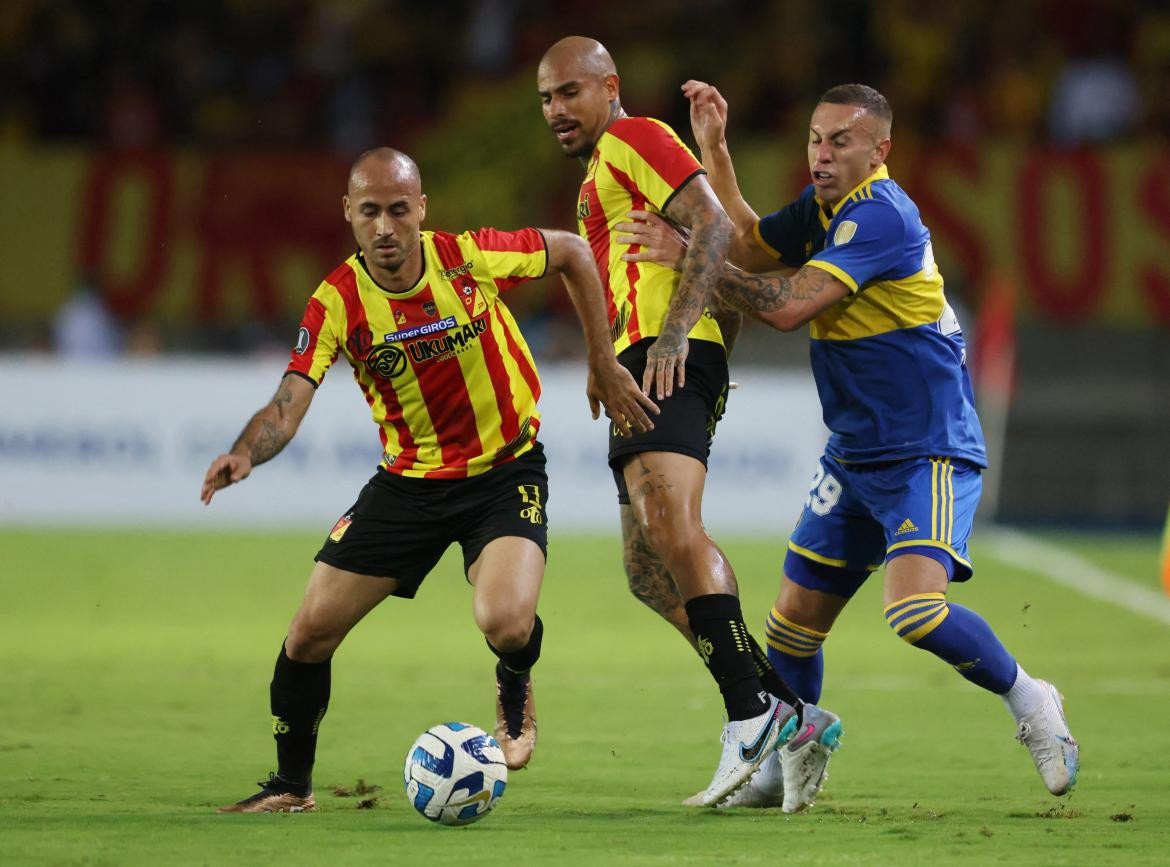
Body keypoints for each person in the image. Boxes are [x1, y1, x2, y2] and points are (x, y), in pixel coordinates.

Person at [618, 81, 1080, 803]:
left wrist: (689, 257)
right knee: (792, 626)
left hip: (925, 445)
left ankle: (1031, 699)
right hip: (855, 453)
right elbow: (745, 245)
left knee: (914, 612)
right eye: (814, 139)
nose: (823, 154)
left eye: (841, 140)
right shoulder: (823, 209)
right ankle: (776, 770)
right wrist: (715, 150)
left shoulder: (880, 216)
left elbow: (789, 306)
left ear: (880, 149)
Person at [203, 147, 656, 813]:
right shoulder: (336, 301)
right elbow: (287, 401)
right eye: (369, 212)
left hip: (504, 473)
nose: (384, 227)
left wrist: (601, 356)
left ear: (420, 208)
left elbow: (573, 253)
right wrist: (246, 451)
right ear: (348, 216)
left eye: (396, 210)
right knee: (307, 635)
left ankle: (514, 685)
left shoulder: (467, 257)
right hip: (406, 487)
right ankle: (292, 786)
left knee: (504, 621)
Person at [537, 36, 842, 811]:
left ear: (610, 87)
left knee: (672, 526)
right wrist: (609, 361)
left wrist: (676, 339)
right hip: (650, 360)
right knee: (647, 570)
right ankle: (791, 714)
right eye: (546, 98)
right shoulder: (596, 180)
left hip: (666, 355)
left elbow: (712, 229)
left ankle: (750, 715)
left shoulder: (637, 138)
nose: (557, 109)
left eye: (570, 91)